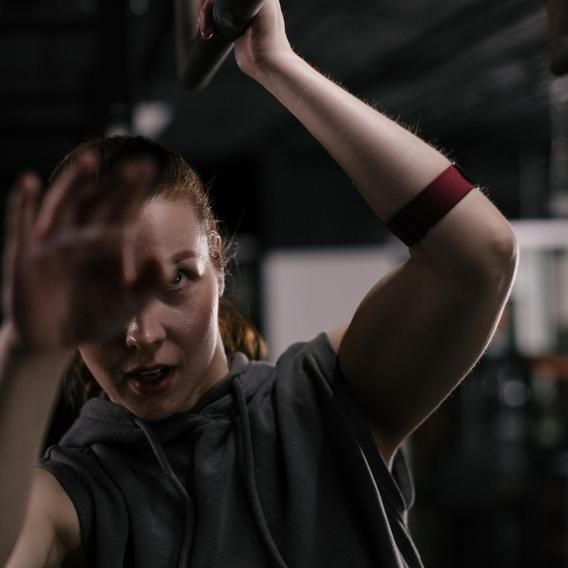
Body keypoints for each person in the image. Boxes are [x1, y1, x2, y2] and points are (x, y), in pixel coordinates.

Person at [0, 0, 518, 566]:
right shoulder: (72, 493)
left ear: (218, 264)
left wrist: (276, 64)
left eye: (176, 278)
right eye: (105, 297)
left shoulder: (322, 405)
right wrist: (26, 356)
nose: (141, 334)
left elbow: (478, 258)